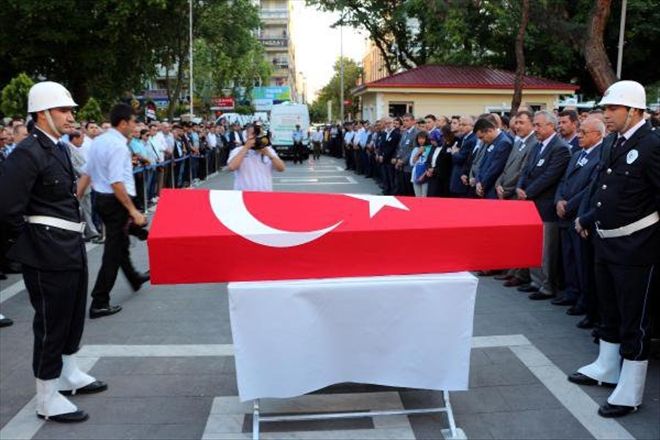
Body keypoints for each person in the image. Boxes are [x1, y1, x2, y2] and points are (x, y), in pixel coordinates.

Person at [0, 81, 107, 423]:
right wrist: (32, 247)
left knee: (73, 314)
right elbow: (7, 210)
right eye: (64, 110)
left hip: (70, 246)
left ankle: (68, 373)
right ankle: (46, 396)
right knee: (50, 323)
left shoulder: (58, 148)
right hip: (47, 253)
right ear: (43, 114)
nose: (71, 115)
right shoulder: (27, 153)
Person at [570, 81, 659, 418]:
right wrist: (589, 218)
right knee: (608, 309)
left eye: (612, 109)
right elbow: (604, 188)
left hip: (638, 248)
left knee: (633, 320)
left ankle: (631, 389)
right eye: (605, 109)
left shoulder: (652, 145)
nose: (605, 115)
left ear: (634, 111)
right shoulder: (613, 142)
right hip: (606, 241)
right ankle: (607, 367)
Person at [77, 103, 150, 319]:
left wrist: (76, 198)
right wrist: (133, 211)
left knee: (120, 244)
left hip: (103, 199)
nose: (136, 126)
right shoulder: (117, 146)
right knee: (113, 251)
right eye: (134, 122)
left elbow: (86, 173)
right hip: (116, 201)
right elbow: (117, 182)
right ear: (123, 123)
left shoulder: (99, 141)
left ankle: (134, 277)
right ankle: (100, 300)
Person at [516, 110, 571, 300]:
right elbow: (525, 170)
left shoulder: (560, 148)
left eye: (539, 125)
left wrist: (527, 191)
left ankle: (547, 285)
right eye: (535, 125)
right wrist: (519, 187)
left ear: (551, 126)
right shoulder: (537, 146)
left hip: (546, 206)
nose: (536, 129)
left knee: (547, 250)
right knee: (534, 245)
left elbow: (550, 176)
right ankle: (536, 281)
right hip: (531, 205)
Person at [552, 117, 603, 317]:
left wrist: (570, 205)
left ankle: (585, 300)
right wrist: (559, 200)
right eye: (579, 132)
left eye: (584, 133)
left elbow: (590, 188)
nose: (579, 136)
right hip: (564, 213)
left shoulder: (600, 156)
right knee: (569, 258)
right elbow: (564, 180)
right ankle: (572, 292)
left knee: (583, 262)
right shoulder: (577, 154)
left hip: (580, 215)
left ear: (598, 135)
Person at [227, 124, 285, 191]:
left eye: (258, 134)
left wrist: (269, 154)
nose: (256, 137)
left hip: (264, 195)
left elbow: (281, 168)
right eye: (253, 134)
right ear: (247, 136)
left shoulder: (268, 150)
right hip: (244, 195)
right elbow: (231, 167)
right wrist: (246, 148)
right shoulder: (238, 150)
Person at [409, 131, 431, 197]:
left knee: (424, 196)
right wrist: (418, 153)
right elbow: (412, 163)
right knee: (417, 196)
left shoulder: (430, 148)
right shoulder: (416, 149)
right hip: (416, 174)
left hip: (426, 175)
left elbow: (429, 162)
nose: (420, 140)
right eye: (419, 138)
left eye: (423, 138)